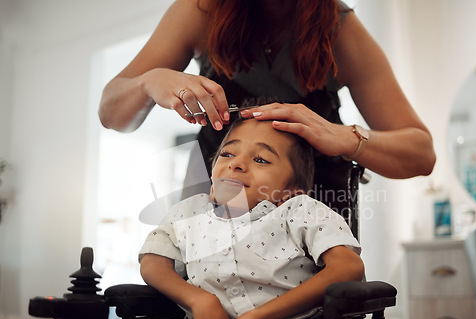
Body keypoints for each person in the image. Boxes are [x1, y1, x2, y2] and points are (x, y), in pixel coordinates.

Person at [98, 0, 436, 207]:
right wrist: (150, 80)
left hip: (304, 245)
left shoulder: (340, 30)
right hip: (210, 226)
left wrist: (345, 137)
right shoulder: (201, 11)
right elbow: (111, 114)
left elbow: (421, 154)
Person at [130, 115, 365, 319]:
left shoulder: (300, 211)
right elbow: (153, 263)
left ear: (289, 192)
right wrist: (201, 302)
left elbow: (348, 267)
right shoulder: (189, 212)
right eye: (228, 153)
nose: (236, 163)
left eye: (261, 159)